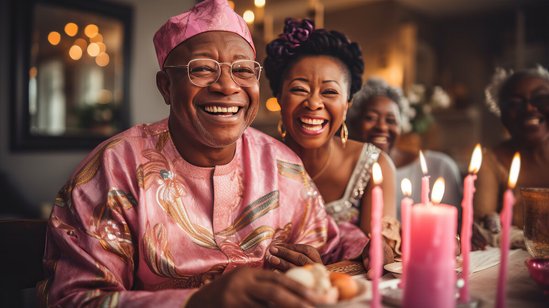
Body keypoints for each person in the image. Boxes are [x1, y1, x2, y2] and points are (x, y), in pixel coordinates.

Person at [39, 1, 369, 307]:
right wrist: (196, 302)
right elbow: (74, 298)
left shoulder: (282, 164)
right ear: (166, 86)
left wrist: (330, 261)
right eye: (202, 69)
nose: (226, 86)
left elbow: (337, 244)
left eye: (242, 70)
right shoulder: (114, 168)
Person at [264, 19, 398, 266]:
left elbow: (380, 257)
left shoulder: (374, 165)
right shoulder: (256, 162)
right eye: (299, 89)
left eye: (329, 92)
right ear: (280, 98)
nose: (314, 103)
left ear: (347, 105)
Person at [347, 78, 463, 220]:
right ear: (355, 122)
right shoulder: (347, 171)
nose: (382, 127)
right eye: (371, 118)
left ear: (402, 126)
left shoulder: (441, 167)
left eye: (390, 120)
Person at [472, 65, 549, 249]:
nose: (530, 108)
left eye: (541, 98)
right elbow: (483, 230)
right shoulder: (490, 161)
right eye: (514, 103)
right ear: (502, 115)